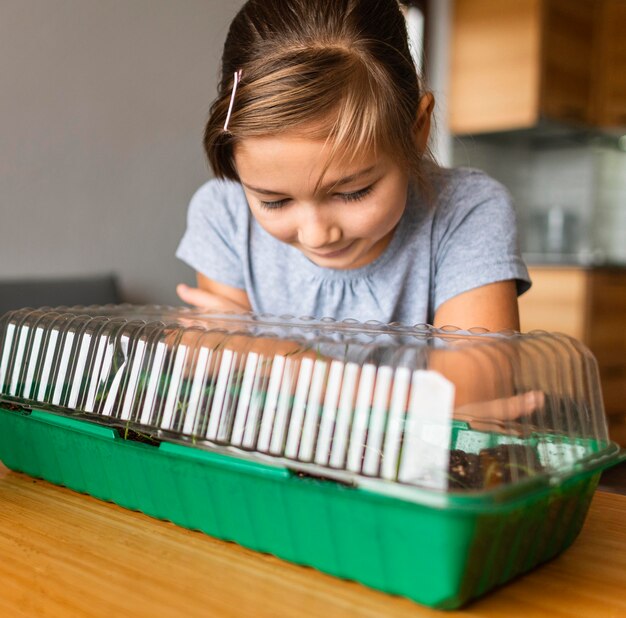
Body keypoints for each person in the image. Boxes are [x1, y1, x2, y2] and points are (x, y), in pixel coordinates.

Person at [176, 0, 531, 332]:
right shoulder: (224, 215)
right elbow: (232, 376)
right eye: (274, 201)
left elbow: (467, 393)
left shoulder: (467, 210)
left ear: (417, 129)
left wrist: (275, 357)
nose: (317, 235)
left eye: (353, 192)